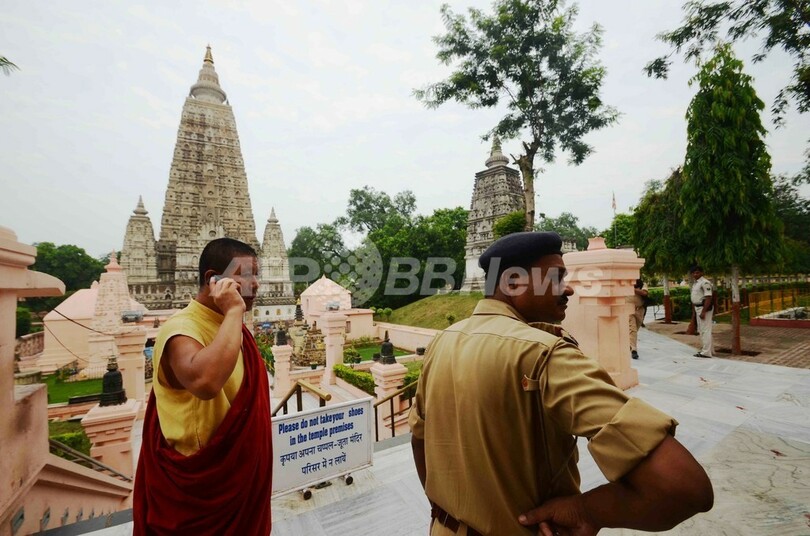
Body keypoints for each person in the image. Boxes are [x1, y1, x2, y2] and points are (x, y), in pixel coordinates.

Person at [409, 232, 713, 536]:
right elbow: (685, 488)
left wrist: (441, 505)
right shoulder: (544, 353)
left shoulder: (442, 341)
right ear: (512, 283)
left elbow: (418, 438)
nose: (567, 288)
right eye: (555, 278)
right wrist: (587, 511)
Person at [134, 238, 272, 535]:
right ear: (214, 280)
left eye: (256, 275)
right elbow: (205, 382)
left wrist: (233, 318)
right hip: (201, 495)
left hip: (241, 484)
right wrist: (235, 312)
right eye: (245, 275)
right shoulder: (181, 329)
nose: (256, 284)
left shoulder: (232, 329)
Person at [690, 265, 714, 358]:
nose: (695, 274)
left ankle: (706, 352)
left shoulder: (705, 283)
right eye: (693, 273)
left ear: (702, 273)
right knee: (701, 330)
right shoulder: (696, 283)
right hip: (698, 308)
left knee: (705, 330)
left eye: (697, 272)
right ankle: (708, 349)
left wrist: (703, 311)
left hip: (704, 308)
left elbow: (708, 297)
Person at [628, 278, 648, 359]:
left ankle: (630, 344)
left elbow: (644, 293)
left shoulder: (642, 283)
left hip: (640, 310)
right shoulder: (626, 283)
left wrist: (632, 289)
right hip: (628, 310)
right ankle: (634, 350)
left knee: (635, 329)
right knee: (632, 329)